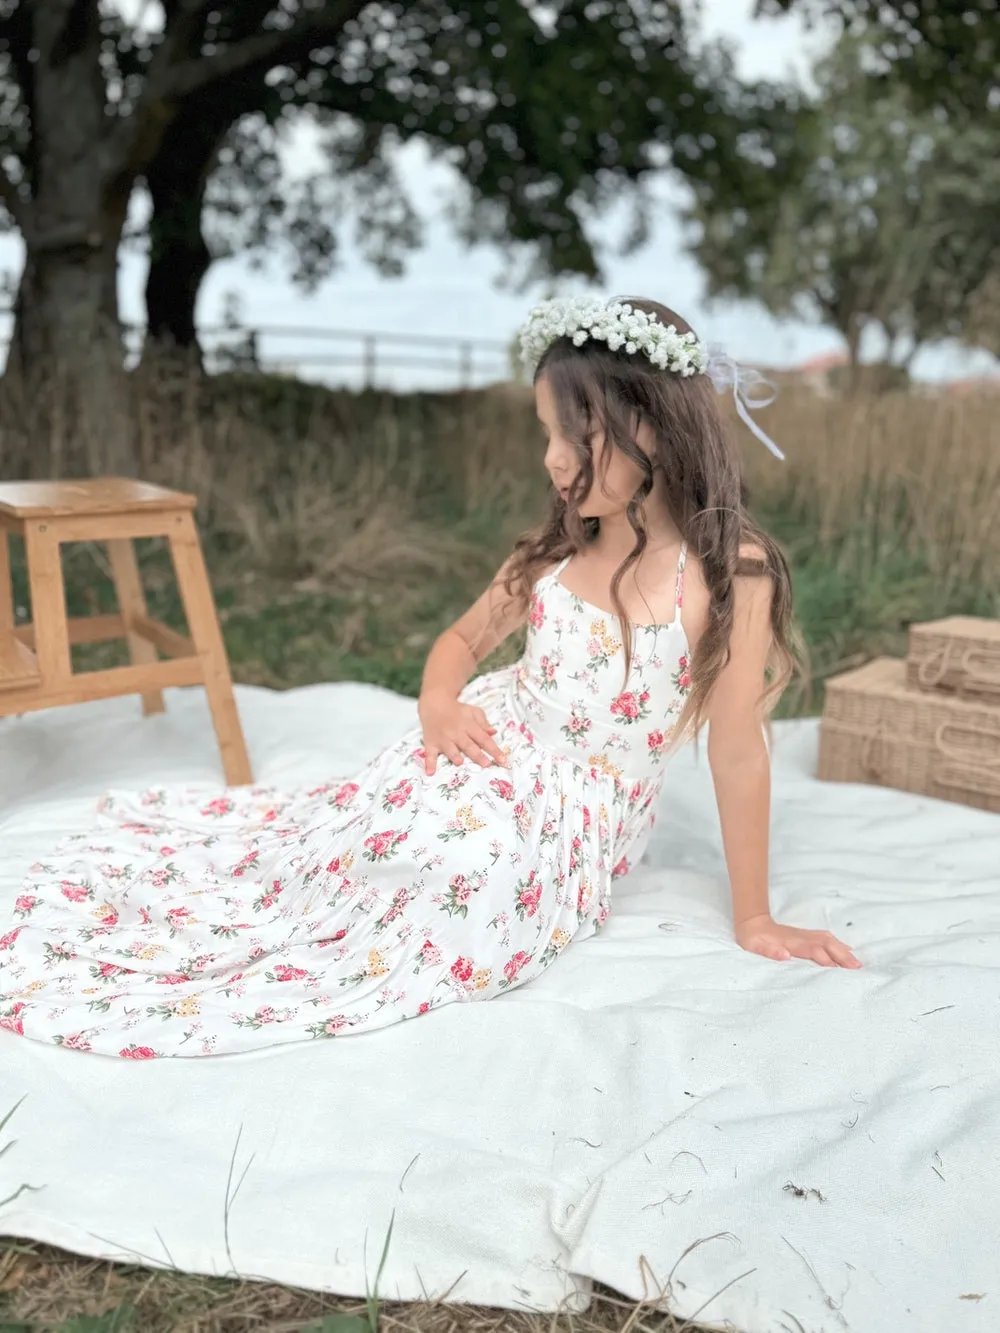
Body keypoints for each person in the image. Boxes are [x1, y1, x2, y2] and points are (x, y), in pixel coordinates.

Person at [0, 295, 861, 1060]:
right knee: (381, 833)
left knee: (468, 867)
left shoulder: (727, 571)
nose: (555, 462)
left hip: (578, 804)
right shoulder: (564, 547)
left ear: (653, 430)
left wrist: (754, 915)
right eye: (547, 436)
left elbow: (739, 751)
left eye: (576, 437)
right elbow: (460, 640)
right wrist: (437, 701)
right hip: (491, 733)